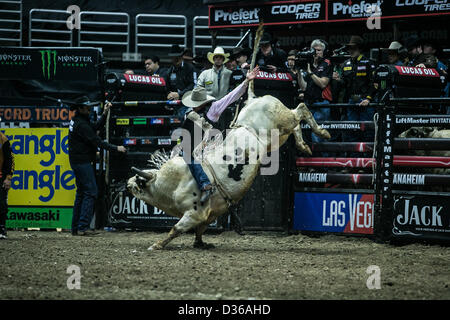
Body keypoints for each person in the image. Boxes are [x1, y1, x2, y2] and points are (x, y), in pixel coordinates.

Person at [180, 66, 260, 203]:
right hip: (193, 143)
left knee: (190, 156)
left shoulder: (214, 108)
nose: (193, 106)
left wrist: (246, 82)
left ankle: (205, 185)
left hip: (210, 143)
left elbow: (231, 97)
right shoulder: (189, 113)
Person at [68, 97, 127, 236]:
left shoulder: (80, 121)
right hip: (81, 161)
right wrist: (116, 148)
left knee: (82, 193)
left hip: (78, 160)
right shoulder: (81, 124)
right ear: (80, 108)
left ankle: (76, 227)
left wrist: (105, 113)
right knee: (91, 191)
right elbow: (97, 141)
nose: (89, 109)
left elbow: (94, 127)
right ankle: (83, 226)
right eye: (87, 107)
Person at [337, 35, 377, 148]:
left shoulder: (369, 63)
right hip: (351, 101)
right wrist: (337, 79)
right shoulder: (345, 64)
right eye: (349, 48)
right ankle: (354, 160)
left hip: (365, 102)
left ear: (359, 49)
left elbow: (375, 84)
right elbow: (343, 84)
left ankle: (367, 159)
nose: (351, 51)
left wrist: (368, 99)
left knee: (367, 131)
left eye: (353, 48)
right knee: (352, 129)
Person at [297, 40, 333, 154]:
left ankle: (324, 165)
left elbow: (323, 83)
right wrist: (298, 72)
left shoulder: (326, 63)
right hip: (309, 103)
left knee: (318, 135)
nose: (316, 52)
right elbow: (304, 87)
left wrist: (310, 73)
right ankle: (312, 163)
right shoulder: (309, 64)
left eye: (319, 50)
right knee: (307, 135)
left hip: (321, 103)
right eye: (314, 50)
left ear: (323, 52)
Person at [0, 131, 14, 239]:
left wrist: (8, 178)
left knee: (1, 203)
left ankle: (1, 228)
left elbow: (10, 160)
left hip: (1, 176)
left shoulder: (3, 139)